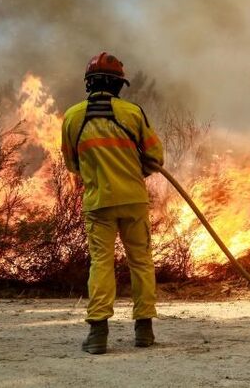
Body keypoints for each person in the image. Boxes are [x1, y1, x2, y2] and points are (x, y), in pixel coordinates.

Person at [60, 52, 164, 355]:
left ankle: (97, 334)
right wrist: (135, 171)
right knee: (141, 262)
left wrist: (96, 175)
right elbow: (156, 158)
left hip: (98, 203)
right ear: (119, 85)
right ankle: (144, 330)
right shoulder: (133, 113)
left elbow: (71, 163)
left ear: (89, 84)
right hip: (133, 200)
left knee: (101, 263)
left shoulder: (72, 117)